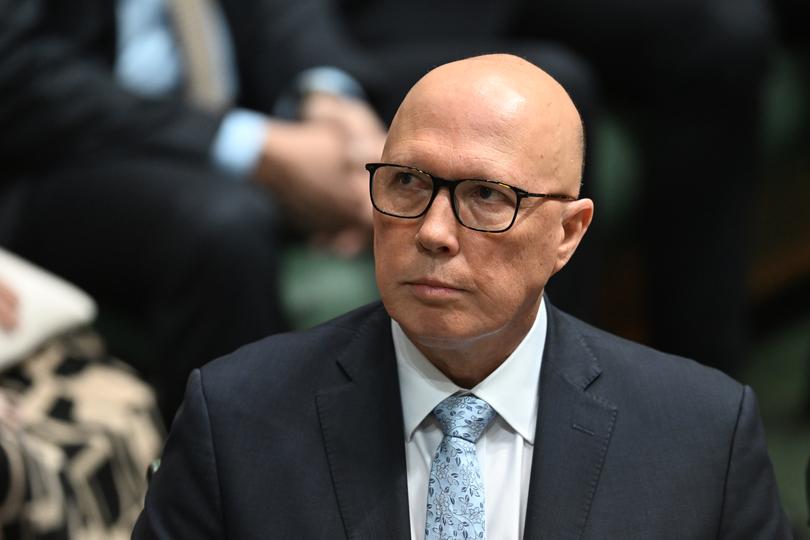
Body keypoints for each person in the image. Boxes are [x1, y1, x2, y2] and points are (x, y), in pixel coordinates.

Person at [133, 55, 789, 539]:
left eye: (486, 195)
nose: (434, 232)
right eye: (407, 182)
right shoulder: (235, 418)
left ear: (568, 233)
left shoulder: (703, 437)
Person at [0, 0, 385, 421]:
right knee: (222, 225)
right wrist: (258, 149)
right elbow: (18, 69)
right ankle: (229, 470)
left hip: (245, 120)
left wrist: (328, 99)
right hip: (59, 153)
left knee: (411, 177)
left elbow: (287, 14)